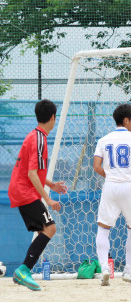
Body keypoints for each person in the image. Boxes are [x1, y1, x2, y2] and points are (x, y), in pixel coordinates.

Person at [9, 99, 68, 291]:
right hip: (24, 192)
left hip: (21, 190)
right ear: (53, 118)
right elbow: (32, 174)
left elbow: (33, 170)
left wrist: (52, 185)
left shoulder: (34, 136)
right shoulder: (40, 139)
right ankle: (23, 271)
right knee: (50, 228)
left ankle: (24, 271)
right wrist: (49, 198)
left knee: (45, 228)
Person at [93, 103, 131, 286]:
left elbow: (96, 167)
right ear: (126, 120)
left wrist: (110, 175)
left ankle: (104, 268)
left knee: (103, 228)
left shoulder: (103, 140)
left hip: (110, 187)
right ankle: (127, 271)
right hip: (130, 186)